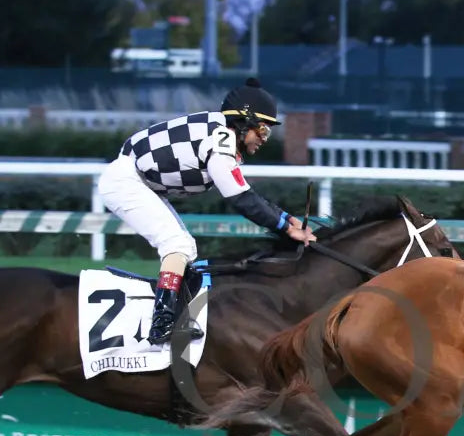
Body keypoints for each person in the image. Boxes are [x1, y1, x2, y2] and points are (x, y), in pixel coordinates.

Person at [97, 78, 317, 345]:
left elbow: (242, 190)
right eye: (262, 130)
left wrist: (284, 218)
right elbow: (240, 198)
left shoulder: (221, 131)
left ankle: (173, 312)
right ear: (243, 121)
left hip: (134, 179)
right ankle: (161, 324)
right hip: (126, 181)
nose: (263, 138)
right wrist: (285, 227)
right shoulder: (220, 140)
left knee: (186, 249)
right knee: (176, 244)